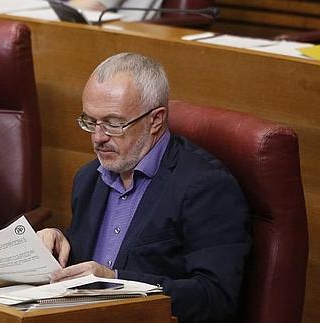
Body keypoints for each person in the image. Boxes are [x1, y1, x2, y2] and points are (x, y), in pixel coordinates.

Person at [37, 53, 250, 323]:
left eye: (114, 123)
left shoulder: (205, 186)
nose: (98, 138)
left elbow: (216, 297)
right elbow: (91, 264)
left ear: (156, 120)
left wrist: (117, 283)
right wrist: (57, 241)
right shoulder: (90, 178)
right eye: (90, 121)